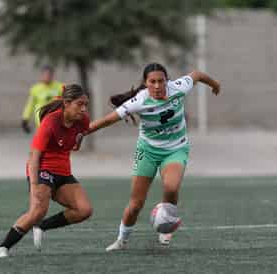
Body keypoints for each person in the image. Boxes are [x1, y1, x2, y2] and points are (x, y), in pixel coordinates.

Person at [88, 63, 220, 251]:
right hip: (147, 150)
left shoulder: (178, 87)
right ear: (145, 83)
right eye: (152, 82)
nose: (157, 86)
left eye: (161, 81)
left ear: (167, 81)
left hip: (176, 148)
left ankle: (165, 228)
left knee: (171, 187)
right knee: (136, 204)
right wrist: (82, 132)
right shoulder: (139, 101)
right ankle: (122, 240)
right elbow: (108, 119)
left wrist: (215, 84)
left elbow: (197, 75)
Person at [0, 84, 92, 258]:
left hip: (63, 171)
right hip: (42, 168)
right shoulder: (50, 122)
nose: (84, 109)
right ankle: (2, 247)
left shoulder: (83, 120)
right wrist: (34, 185)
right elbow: (34, 156)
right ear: (67, 103)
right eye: (80, 104)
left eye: (86, 104)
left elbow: (77, 141)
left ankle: (42, 226)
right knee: (38, 210)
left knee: (84, 210)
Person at [21, 65, 64, 133]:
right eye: (45, 75)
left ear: (52, 75)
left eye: (49, 75)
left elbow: (66, 103)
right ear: (41, 75)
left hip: (56, 122)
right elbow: (30, 105)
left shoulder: (60, 87)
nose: (47, 77)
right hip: (40, 123)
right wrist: (25, 119)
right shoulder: (35, 89)